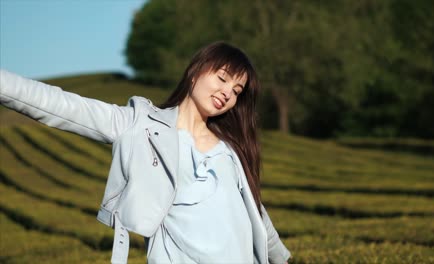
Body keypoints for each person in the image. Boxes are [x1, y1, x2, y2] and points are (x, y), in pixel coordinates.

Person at [0, 41, 291, 264]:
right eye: (223, 78)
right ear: (195, 73)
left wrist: (282, 258)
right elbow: (60, 105)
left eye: (238, 90)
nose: (228, 93)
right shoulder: (140, 124)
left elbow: (253, 210)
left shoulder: (230, 149)